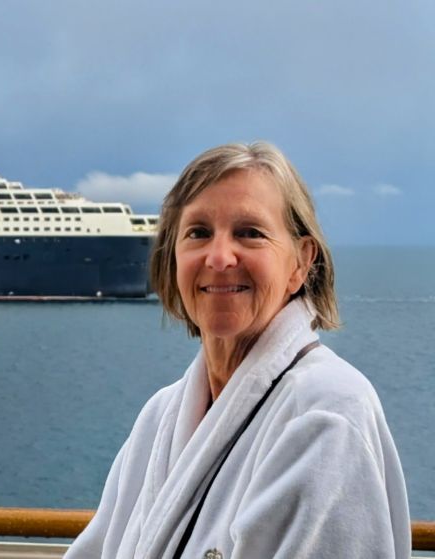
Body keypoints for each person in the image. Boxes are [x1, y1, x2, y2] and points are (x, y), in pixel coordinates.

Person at [65, 142, 410, 559]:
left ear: (301, 263)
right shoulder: (160, 417)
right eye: (198, 233)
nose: (220, 257)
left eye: (250, 233)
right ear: (173, 259)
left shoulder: (328, 413)